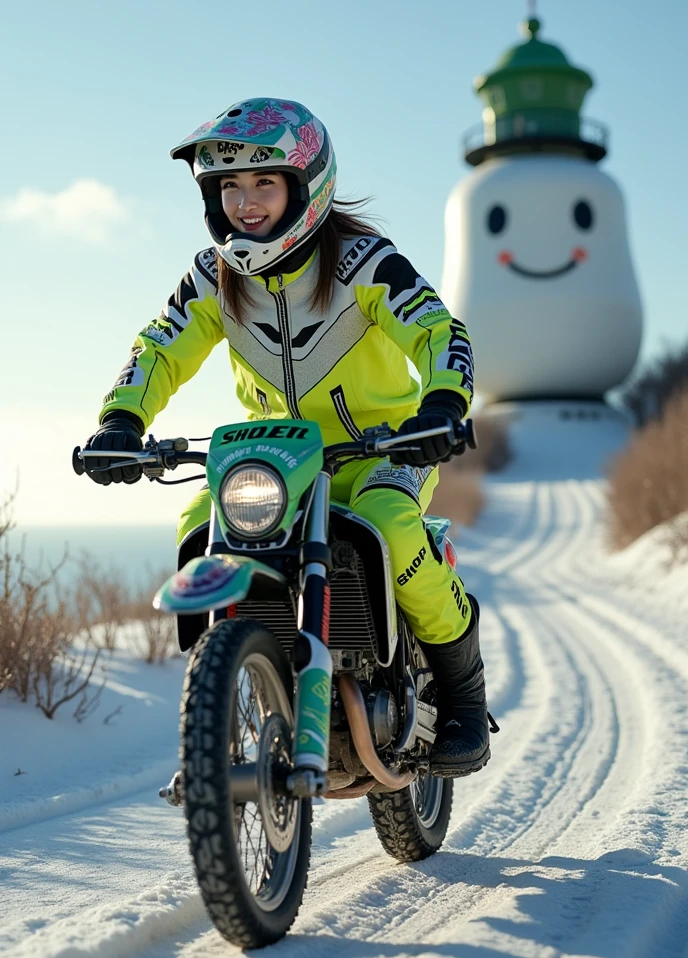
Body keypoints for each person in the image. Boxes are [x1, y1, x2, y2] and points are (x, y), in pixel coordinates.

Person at [80, 97, 494, 777]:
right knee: (197, 527)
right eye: (228, 186)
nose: (245, 202)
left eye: (263, 183)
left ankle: (464, 697)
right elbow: (158, 348)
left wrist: (442, 406)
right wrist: (121, 420)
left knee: (391, 526)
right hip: (274, 460)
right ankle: (232, 688)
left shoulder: (364, 261)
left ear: (306, 184)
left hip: (383, 451)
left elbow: (437, 329)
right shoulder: (212, 277)